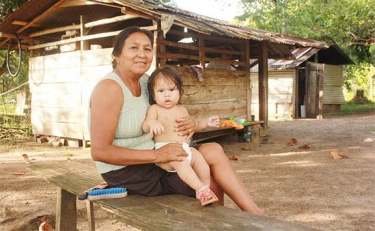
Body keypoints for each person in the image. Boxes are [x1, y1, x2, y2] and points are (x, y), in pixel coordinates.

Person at [89, 26, 264, 215]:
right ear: (116, 54)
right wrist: (157, 156)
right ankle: (221, 225)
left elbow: (166, 112)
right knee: (209, 179)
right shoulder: (109, 88)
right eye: (134, 48)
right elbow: (99, 151)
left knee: (213, 150)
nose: (142, 54)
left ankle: (256, 215)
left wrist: (190, 124)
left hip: (156, 158)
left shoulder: (146, 81)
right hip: (129, 172)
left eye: (147, 49)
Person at [142, 66, 220, 206]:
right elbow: (146, 124)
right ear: (153, 95)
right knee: (181, 164)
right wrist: (152, 123)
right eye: (161, 91)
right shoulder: (154, 109)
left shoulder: (182, 109)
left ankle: (205, 187)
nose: (167, 95)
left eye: (172, 90)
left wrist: (206, 123)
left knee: (201, 161)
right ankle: (200, 189)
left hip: (186, 149)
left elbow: (193, 127)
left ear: (180, 91)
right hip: (167, 152)